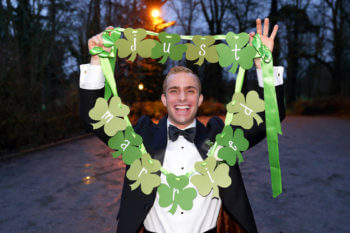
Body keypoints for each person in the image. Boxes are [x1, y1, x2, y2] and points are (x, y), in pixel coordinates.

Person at [79, 18, 285, 233]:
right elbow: (93, 117)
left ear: (200, 99)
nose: (182, 98)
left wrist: (263, 65)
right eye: (174, 91)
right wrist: (96, 60)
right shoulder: (140, 137)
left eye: (190, 90)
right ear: (164, 100)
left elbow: (270, 118)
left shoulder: (220, 139)